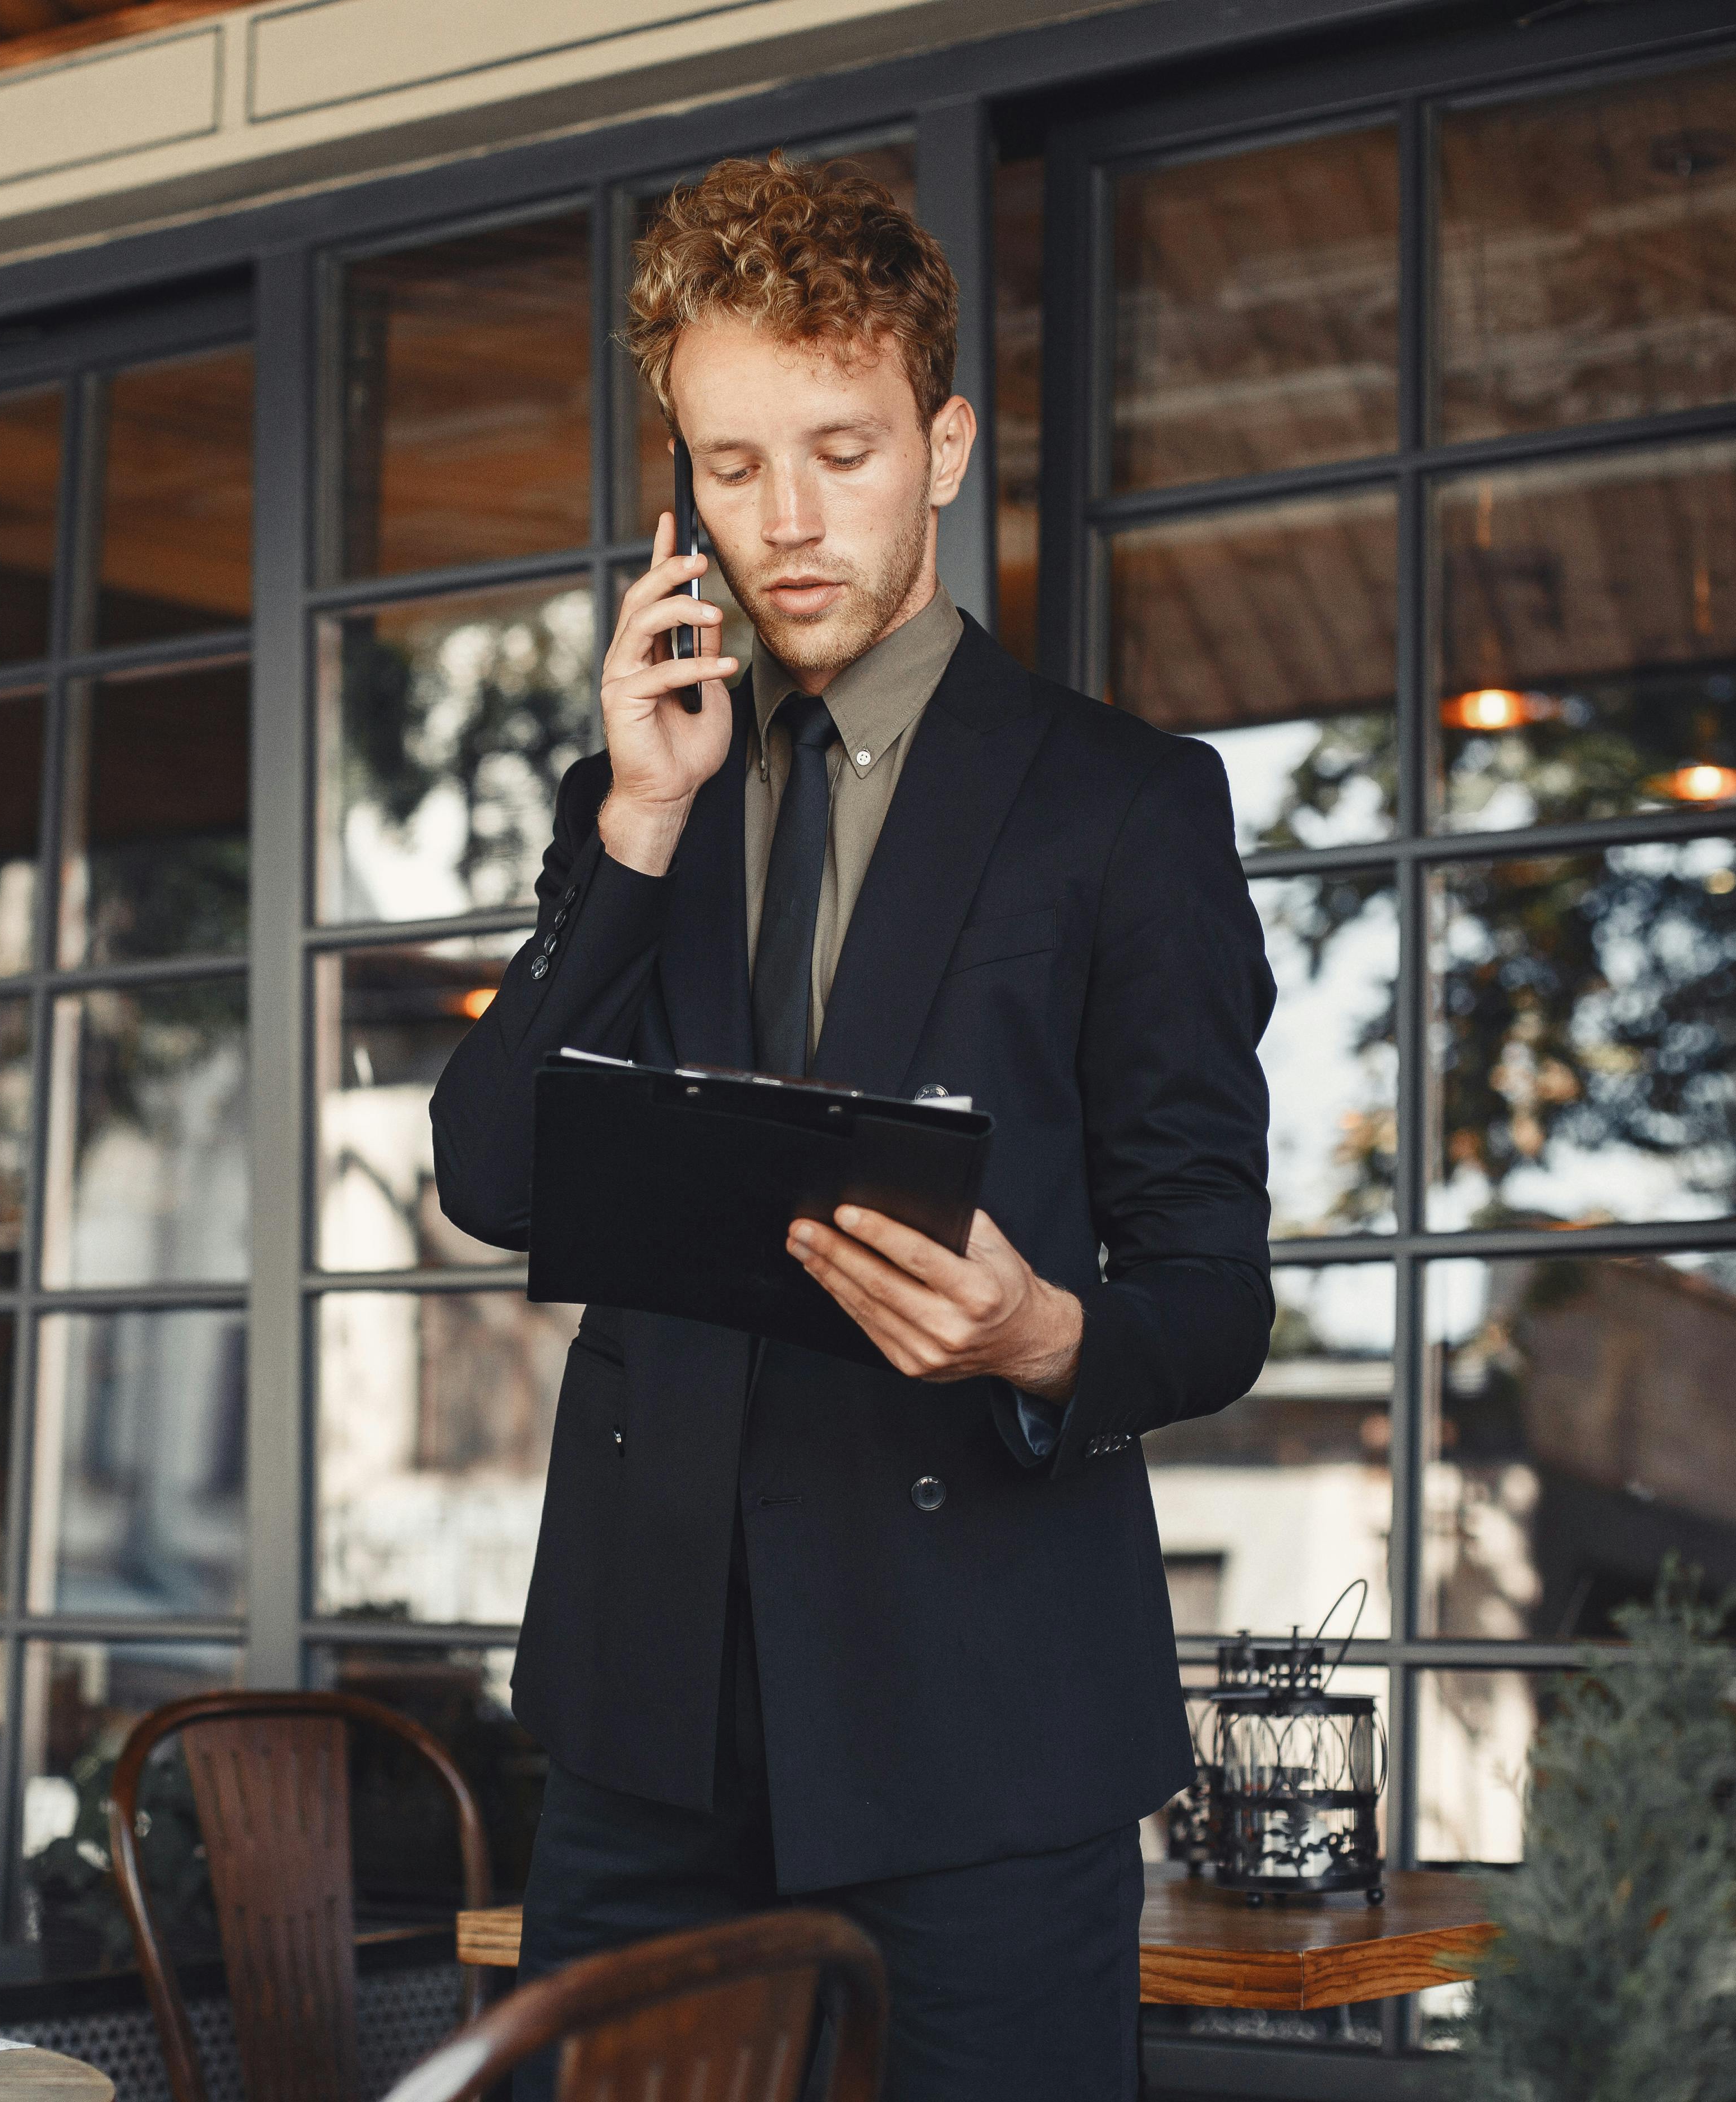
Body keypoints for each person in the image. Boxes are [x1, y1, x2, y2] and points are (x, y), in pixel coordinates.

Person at [427, 154, 1277, 2100]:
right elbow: (491, 1174)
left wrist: (1041, 1336)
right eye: (731, 469)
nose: (787, 524)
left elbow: (1214, 1293)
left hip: (977, 1730)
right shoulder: (639, 790)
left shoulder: (1125, 810)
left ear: (946, 442)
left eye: (841, 449)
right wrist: (634, 829)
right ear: (679, 485)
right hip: (647, 1736)